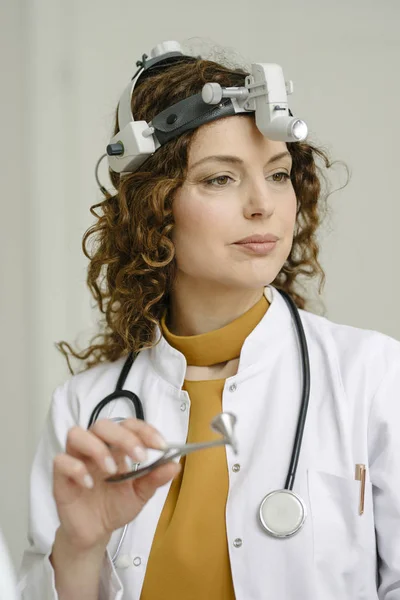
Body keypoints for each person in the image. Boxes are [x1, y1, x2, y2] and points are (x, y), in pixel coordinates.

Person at [19, 41, 400, 600]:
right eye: (220, 179)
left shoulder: (373, 377)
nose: (262, 205)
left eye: (277, 174)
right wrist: (78, 548)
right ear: (154, 208)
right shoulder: (85, 410)